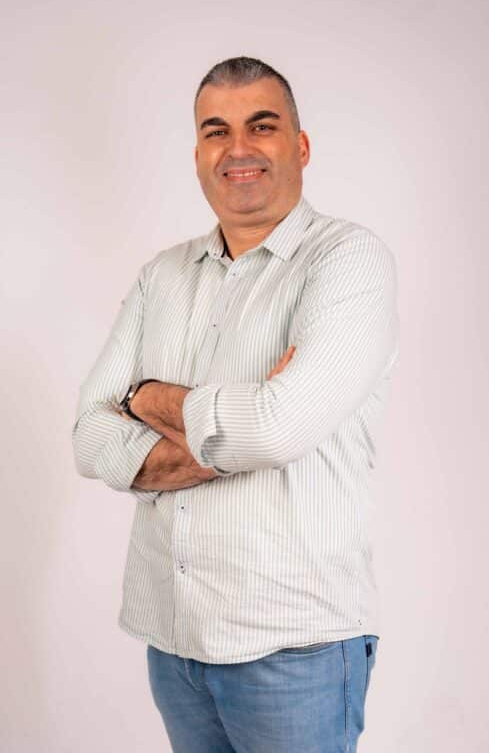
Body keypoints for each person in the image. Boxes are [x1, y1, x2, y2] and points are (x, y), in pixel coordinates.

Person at [72, 55, 399, 752]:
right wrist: (238, 424)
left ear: (300, 146)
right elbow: (89, 439)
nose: (237, 148)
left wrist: (143, 398)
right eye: (216, 131)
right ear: (198, 153)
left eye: (262, 126)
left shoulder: (347, 260)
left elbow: (275, 431)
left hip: (295, 648)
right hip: (174, 641)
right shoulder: (162, 276)